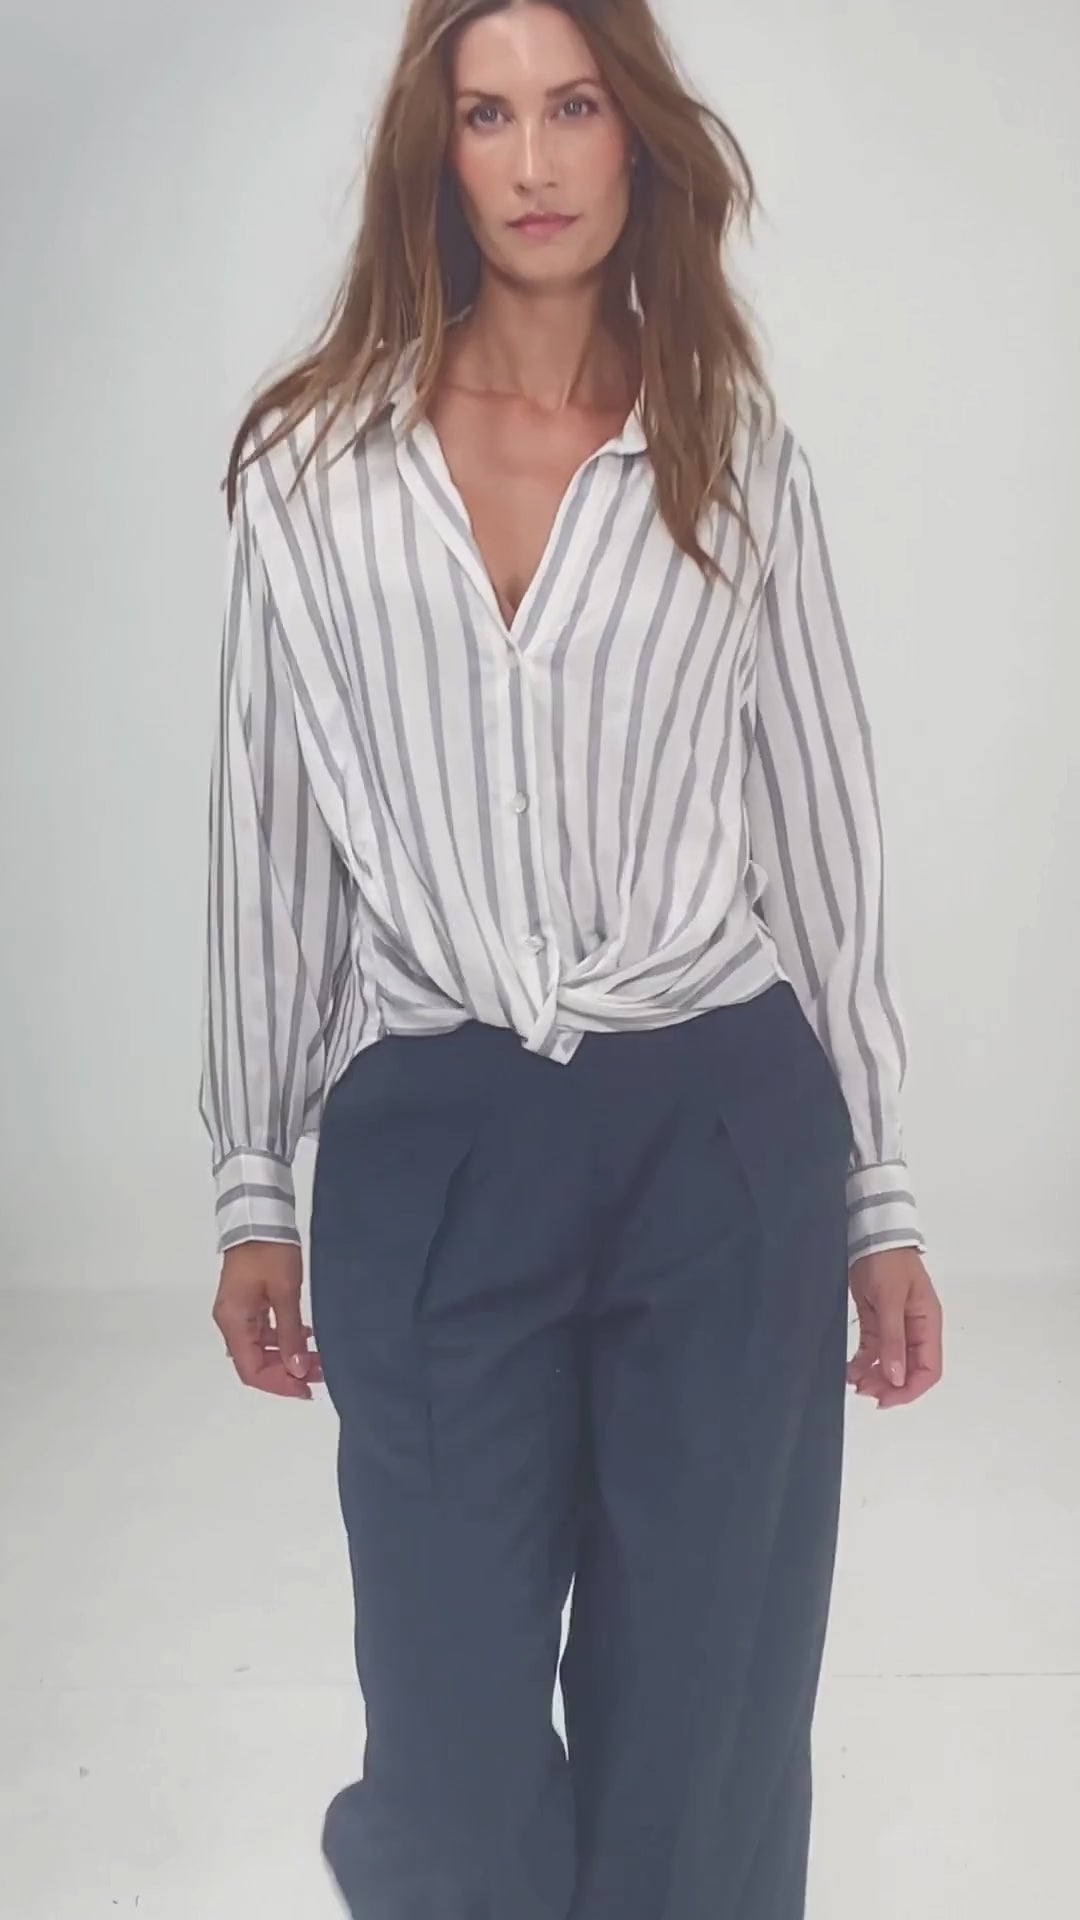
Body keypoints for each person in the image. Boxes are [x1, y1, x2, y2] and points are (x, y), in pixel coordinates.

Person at [199, 1, 944, 1915]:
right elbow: (272, 837)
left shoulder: (733, 455)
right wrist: (252, 1182)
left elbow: (826, 837)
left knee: (702, 1730)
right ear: (435, 153)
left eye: (574, 106)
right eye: (487, 115)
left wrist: (878, 1201)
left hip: (720, 1134)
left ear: (636, 138)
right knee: (450, 1754)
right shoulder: (312, 475)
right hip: (438, 1135)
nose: (533, 161)